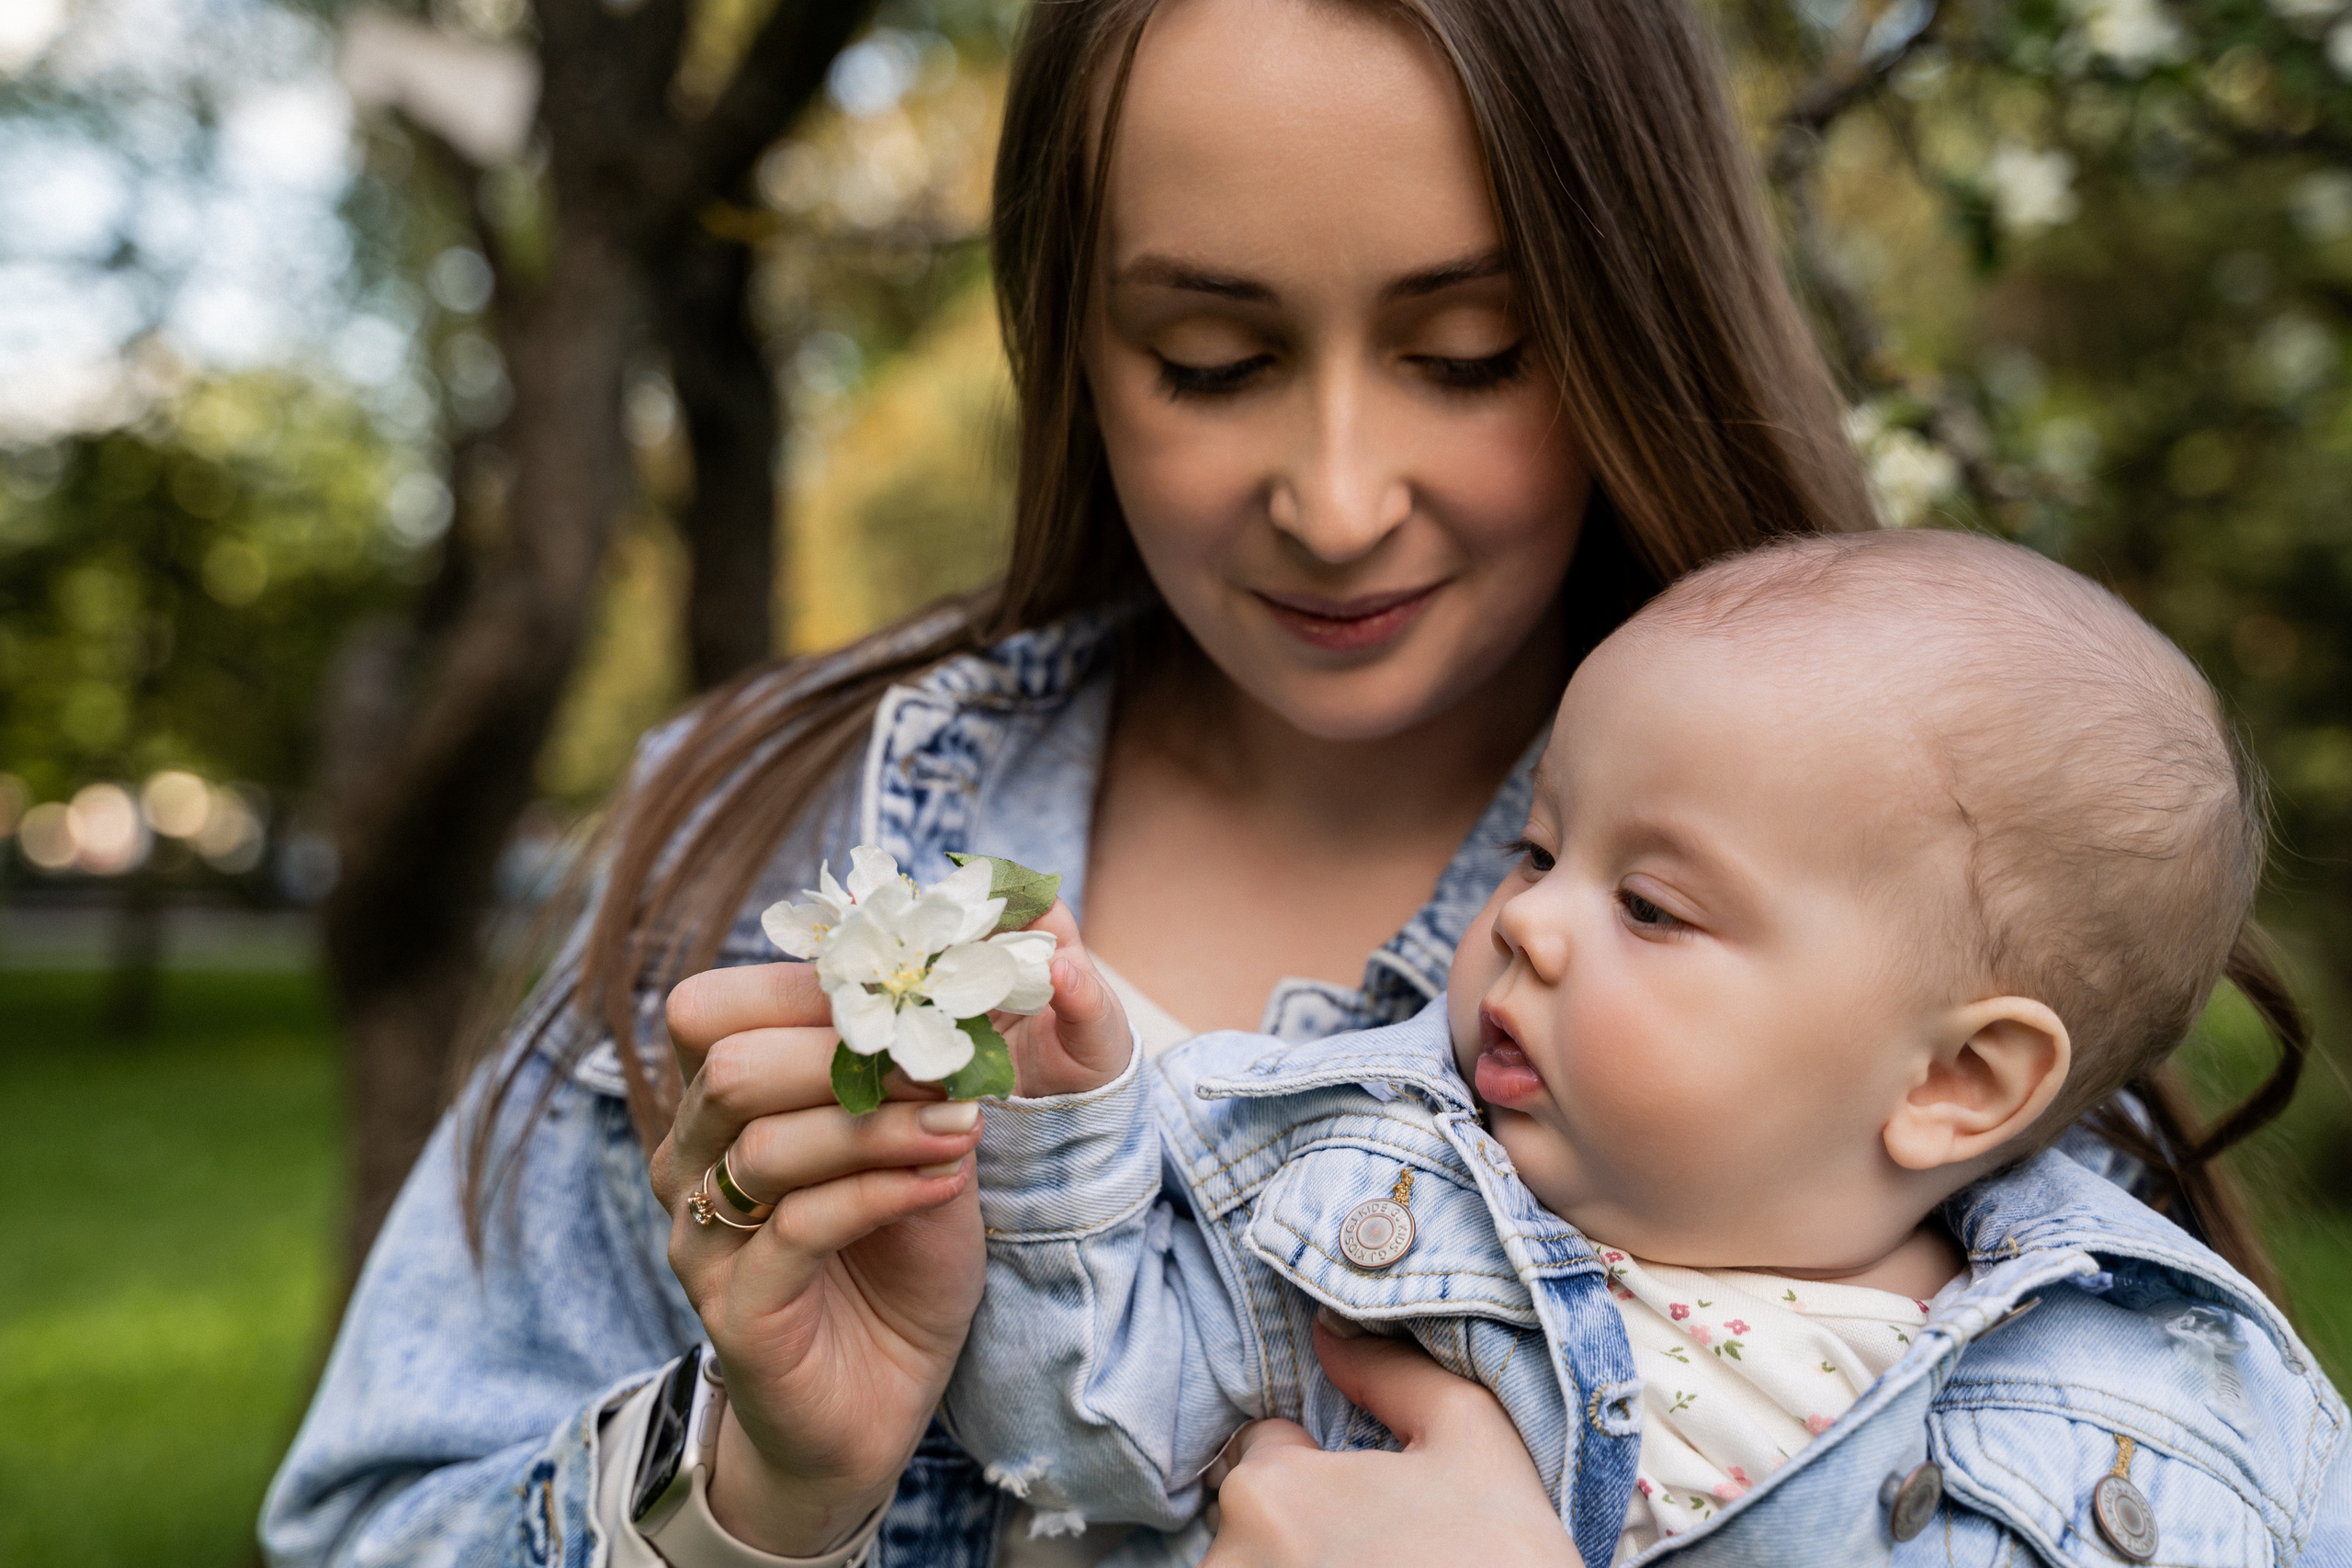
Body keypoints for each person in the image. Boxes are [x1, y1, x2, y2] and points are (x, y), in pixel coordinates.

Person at [261, 0, 1876, 1564]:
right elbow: (371, 1525)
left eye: (1468, 354)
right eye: (1210, 357)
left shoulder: (1897, 851)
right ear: (1074, 341)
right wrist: (759, 1497)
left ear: (1636, 323)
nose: (1333, 500)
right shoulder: (773, 827)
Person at [941, 528, 2347, 1563]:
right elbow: (1072, 1435)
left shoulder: (2162, 1433)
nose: (1528, 923)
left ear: (1956, 1082)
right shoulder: (1370, 1207)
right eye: (1540, 850)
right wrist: (1065, 1128)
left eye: (1651, 905)